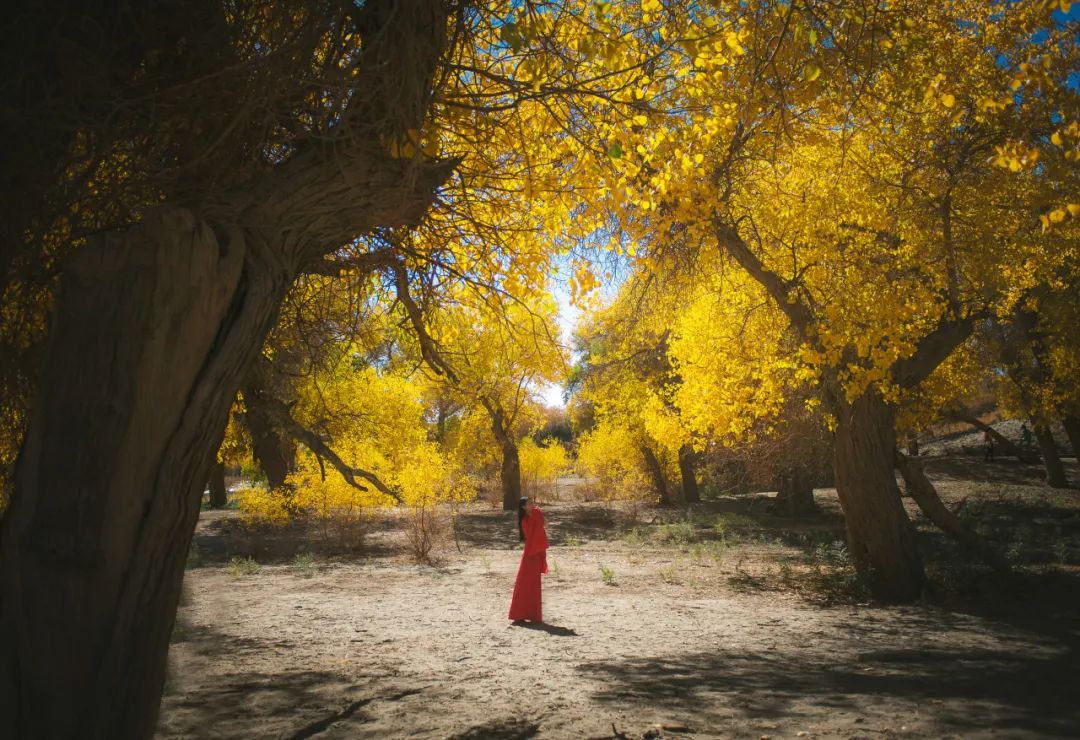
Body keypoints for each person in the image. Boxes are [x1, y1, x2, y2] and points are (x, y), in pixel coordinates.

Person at [508, 496, 549, 623]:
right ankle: (519, 615)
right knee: (524, 584)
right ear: (523, 507)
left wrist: (538, 514)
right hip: (529, 554)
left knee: (534, 585)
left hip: (536, 553)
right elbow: (533, 536)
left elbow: (544, 524)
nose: (532, 505)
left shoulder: (536, 513)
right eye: (529, 503)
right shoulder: (524, 521)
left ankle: (533, 615)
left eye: (532, 503)